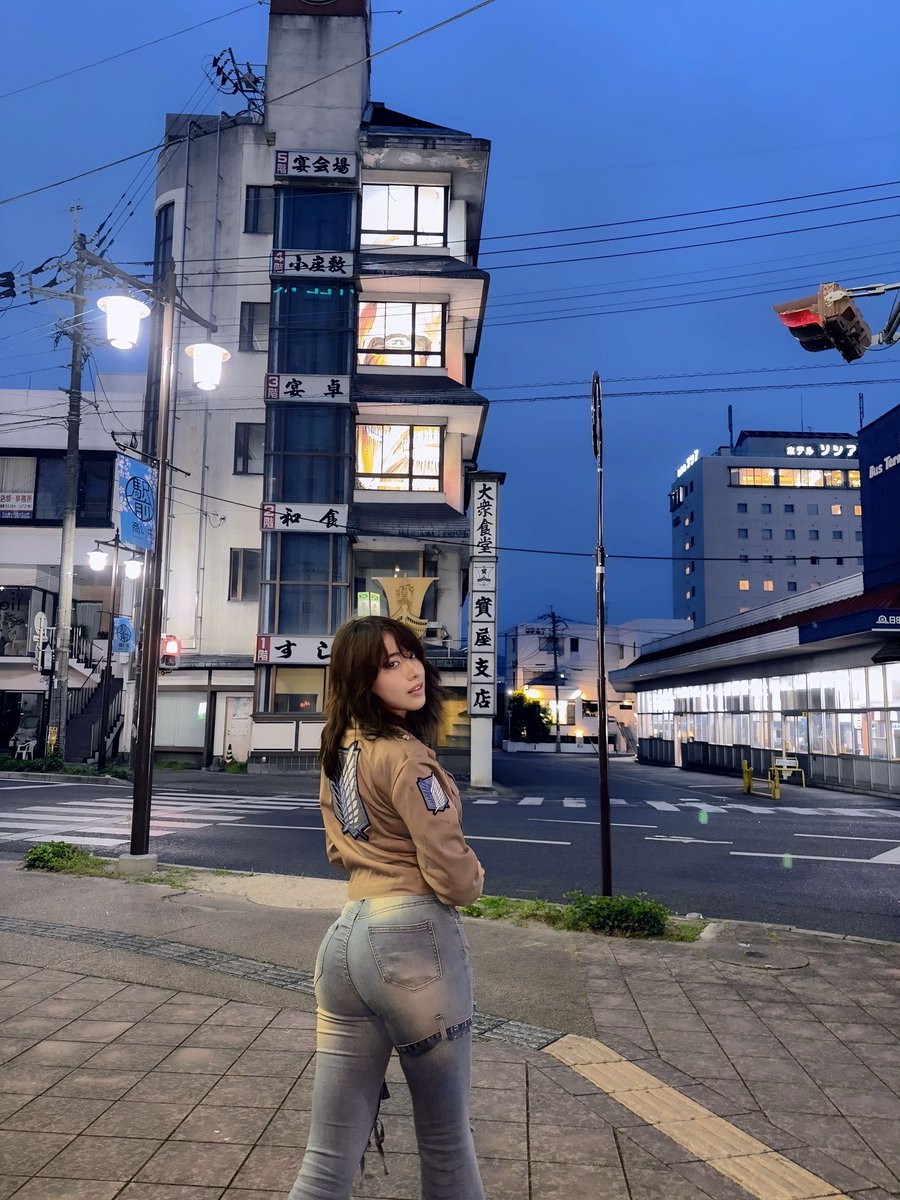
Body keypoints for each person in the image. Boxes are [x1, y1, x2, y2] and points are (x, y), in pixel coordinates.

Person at [288, 616, 486, 1200]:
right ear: (361, 680)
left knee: (326, 1159)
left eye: (411, 656)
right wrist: (474, 877)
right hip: (412, 941)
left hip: (345, 941)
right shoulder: (409, 759)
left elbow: (337, 851)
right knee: (447, 1143)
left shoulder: (339, 751)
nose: (411, 672)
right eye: (389, 665)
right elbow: (453, 876)